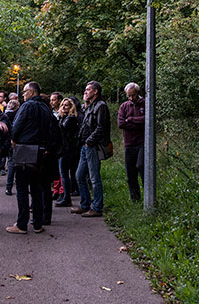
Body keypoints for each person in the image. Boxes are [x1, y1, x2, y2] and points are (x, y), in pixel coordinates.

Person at [7, 81, 60, 234]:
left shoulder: (27, 106)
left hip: (25, 149)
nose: (23, 95)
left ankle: (21, 224)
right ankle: (38, 223)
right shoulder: (45, 108)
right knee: (37, 189)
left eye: (24, 92)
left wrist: (14, 138)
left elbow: (17, 125)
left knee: (22, 188)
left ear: (31, 92)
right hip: (40, 150)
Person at [72, 81, 110, 217]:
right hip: (85, 146)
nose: (85, 92)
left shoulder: (101, 106)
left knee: (94, 177)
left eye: (88, 90)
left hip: (92, 146)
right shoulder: (89, 106)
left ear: (96, 91)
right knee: (80, 176)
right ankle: (85, 204)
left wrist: (89, 141)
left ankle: (97, 207)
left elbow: (101, 127)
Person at [118, 82, 146, 202]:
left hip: (142, 141)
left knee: (141, 166)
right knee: (130, 173)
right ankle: (135, 198)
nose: (131, 98)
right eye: (128, 96)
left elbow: (147, 119)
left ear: (138, 93)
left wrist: (131, 120)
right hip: (129, 143)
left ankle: (148, 195)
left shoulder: (145, 103)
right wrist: (137, 123)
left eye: (133, 95)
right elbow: (121, 123)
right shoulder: (124, 106)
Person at [55, 96, 81, 207]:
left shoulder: (70, 119)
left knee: (64, 173)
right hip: (67, 149)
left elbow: (62, 130)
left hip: (67, 150)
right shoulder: (64, 118)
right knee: (66, 173)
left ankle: (66, 197)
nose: (64, 107)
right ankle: (66, 195)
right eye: (63, 105)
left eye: (67, 105)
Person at [3, 98, 20, 196]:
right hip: (14, 142)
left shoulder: (4, 115)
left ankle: (8, 187)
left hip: (8, 142)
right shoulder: (16, 115)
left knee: (10, 165)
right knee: (15, 165)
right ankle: (16, 185)